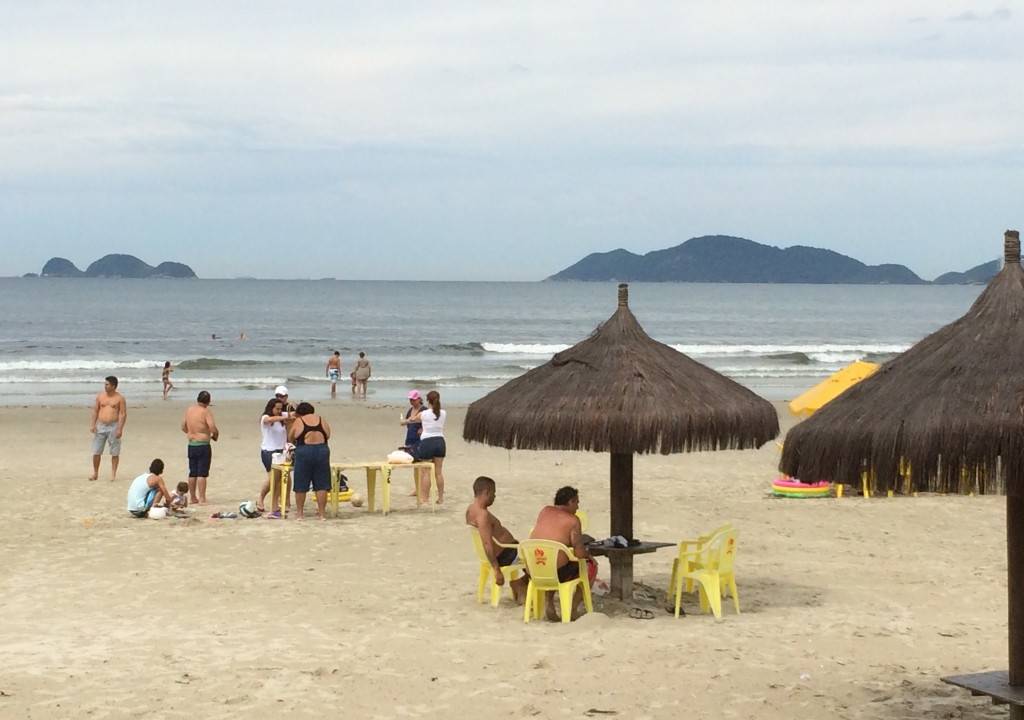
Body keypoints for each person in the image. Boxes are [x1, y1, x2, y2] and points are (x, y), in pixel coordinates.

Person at [530, 486, 593, 621]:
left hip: (534, 569)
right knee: (590, 565)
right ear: (570, 502)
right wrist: (588, 553)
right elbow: (579, 553)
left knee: (552, 560)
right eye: (577, 502)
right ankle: (573, 608)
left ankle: (549, 602)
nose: (578, 507)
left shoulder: (545, 511)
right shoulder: (573, 520)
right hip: (557, 572)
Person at [465, 476, 529, 604]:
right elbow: (487, 543)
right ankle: (520, 584)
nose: (495, 497)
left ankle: (521, 583)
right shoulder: (482, 515)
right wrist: (496, 570)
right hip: (505, 555)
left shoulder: (471, 509)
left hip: (502, 552)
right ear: (486, 492)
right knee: (538, 558)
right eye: (493, 493)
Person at [288, 401, 331, 520]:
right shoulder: (321, 419)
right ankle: (322, 514)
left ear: (299, 413)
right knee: (321, 484)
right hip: (322, 450)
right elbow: (328, 435)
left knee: (301, 483)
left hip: (304, 451)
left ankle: (300, 514)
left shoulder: (299, 421)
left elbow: (291, 437)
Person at [181, 391, 219, 505]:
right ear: (208, 401)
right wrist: (215, 435)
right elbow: (212, 427)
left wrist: (191, 433)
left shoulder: (189, 410)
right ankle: (202, 498)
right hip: (203, 444)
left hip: (191, 444)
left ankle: (193, 497)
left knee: (192, 472)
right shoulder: (205, 411)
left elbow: (183, 426)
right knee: (202, 473)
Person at [410, 390, 445, 504]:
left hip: (427, 442)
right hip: (440, 441)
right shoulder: (443, 413)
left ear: (428, 400)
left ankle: (425, 498)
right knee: (438, 472)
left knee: (425, 471)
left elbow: (413, 419)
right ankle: (440, 497)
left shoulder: (424, 413)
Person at [89, 375, 127, 482]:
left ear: (113, 386)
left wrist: (120, 428)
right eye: (105, 384)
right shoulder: (100, 396)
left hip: (113, 426)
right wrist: (93, 424)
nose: (105, 386)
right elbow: (95, 410)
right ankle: (95, 473)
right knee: (96, 451)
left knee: (114, 452)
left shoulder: (119, 398)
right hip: (101, 425)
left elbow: (122, 414)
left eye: (107, 384)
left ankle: (113, 474)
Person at [257, 397, 290, 515]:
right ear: (271, 408)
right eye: (277, 409)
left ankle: (275, 503)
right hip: (269, 451)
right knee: (273, 480)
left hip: (281, 451)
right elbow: (270, 419)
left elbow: (294, 412)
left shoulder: (282, 415)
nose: (279, 411)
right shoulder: (265, 417)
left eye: (281, 409)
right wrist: (285, 417)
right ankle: (265, 501)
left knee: (279, 479)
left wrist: (290, 407)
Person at [399, 390, 424, 496]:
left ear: (419, 399)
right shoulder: (410, 410)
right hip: (410, 439)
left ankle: (423, 489)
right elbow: (407, 422)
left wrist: (423, 428)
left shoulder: (424, 410)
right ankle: (417, 488)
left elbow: (430, 422)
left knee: (422, 466)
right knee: (414, 466)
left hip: (420, 440)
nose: (411, 401)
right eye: (410, 399)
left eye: (413, 399)